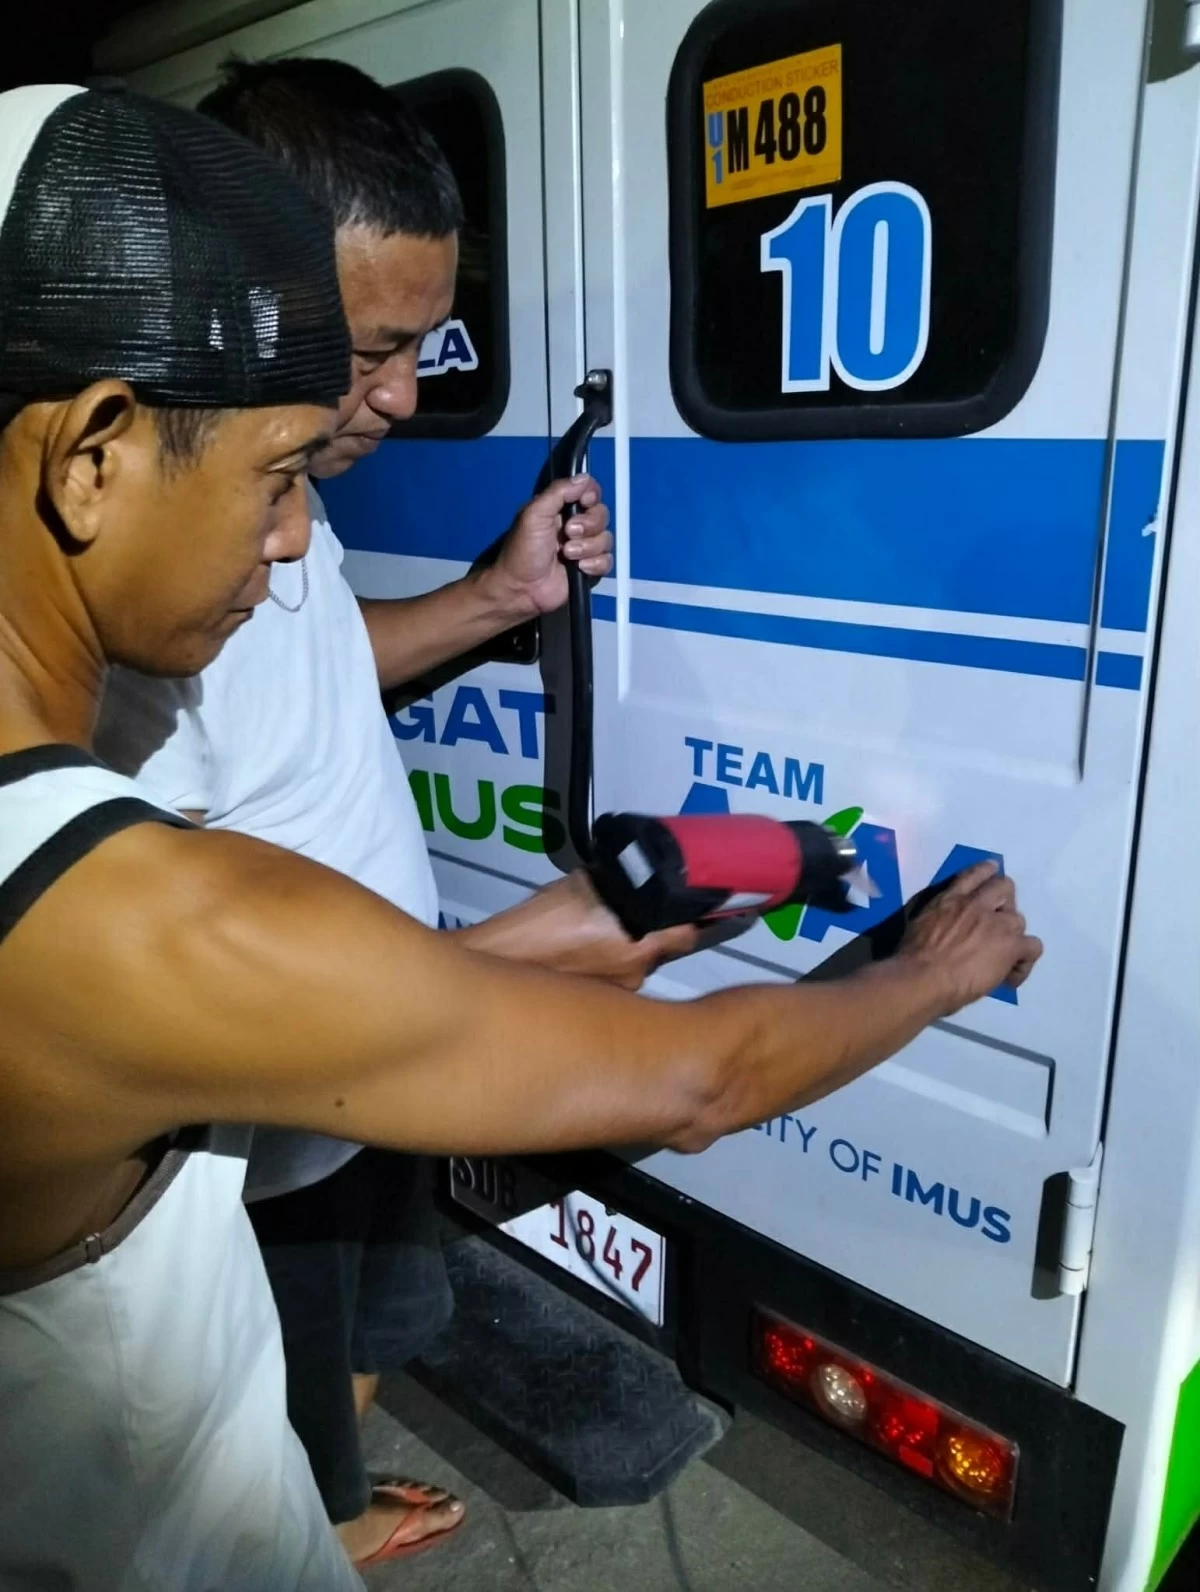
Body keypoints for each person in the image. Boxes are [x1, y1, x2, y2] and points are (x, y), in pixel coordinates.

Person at [0, 78, 1041, 1592]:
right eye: (276, 478)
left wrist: (579, 928)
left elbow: (285, 1021)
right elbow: (698, 1081)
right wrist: (931, 975)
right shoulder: (129, 917)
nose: (295, 546)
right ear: (95, 452)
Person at [96, 55, 671, 1569]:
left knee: (374, 1332)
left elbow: (322, 659)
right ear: (236, 299)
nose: (405, 399)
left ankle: (331, 1498)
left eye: (426, 343)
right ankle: (317, 1527)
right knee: (263, 1413)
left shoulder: (281, 482)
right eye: (371, 351)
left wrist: (498, 597)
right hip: (273, 1128)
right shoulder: (143, 586)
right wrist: (518, 967)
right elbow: (195, 971)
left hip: (369, 1091)